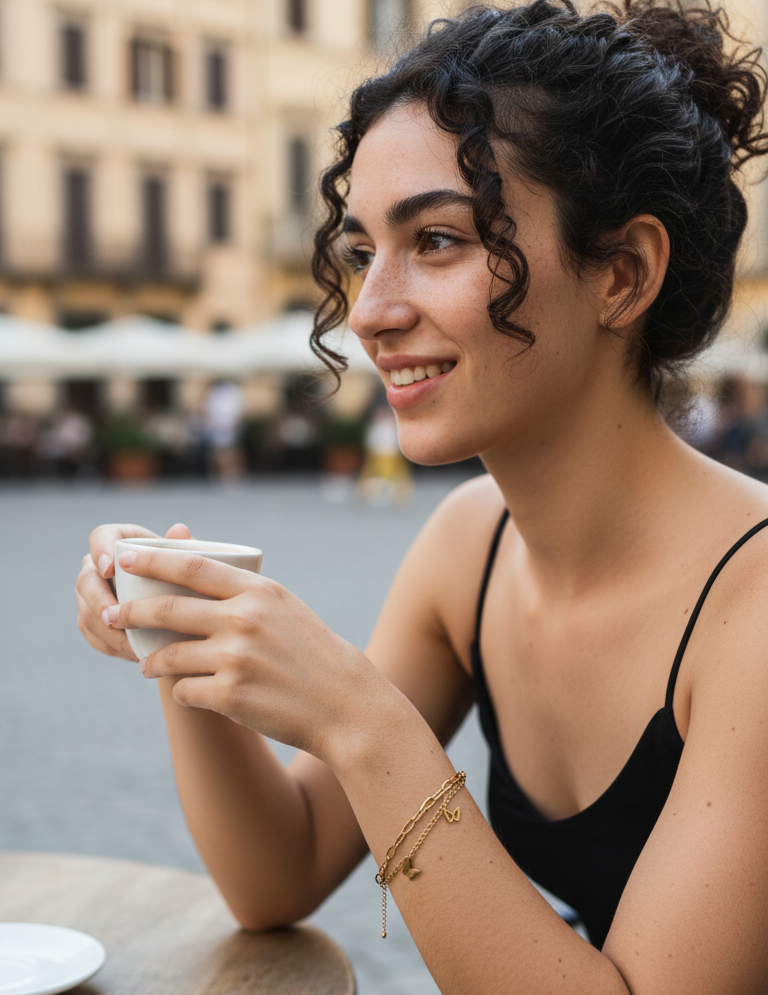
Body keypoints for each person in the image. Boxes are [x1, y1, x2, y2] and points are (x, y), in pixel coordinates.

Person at [76, 1, 768, 990]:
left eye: (437, 239)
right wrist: (183, 634)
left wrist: (365, 722)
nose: (369, 312)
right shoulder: (469, 545)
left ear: (623, 274)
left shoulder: (755, 607)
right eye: (361, 251)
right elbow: (278, 871)